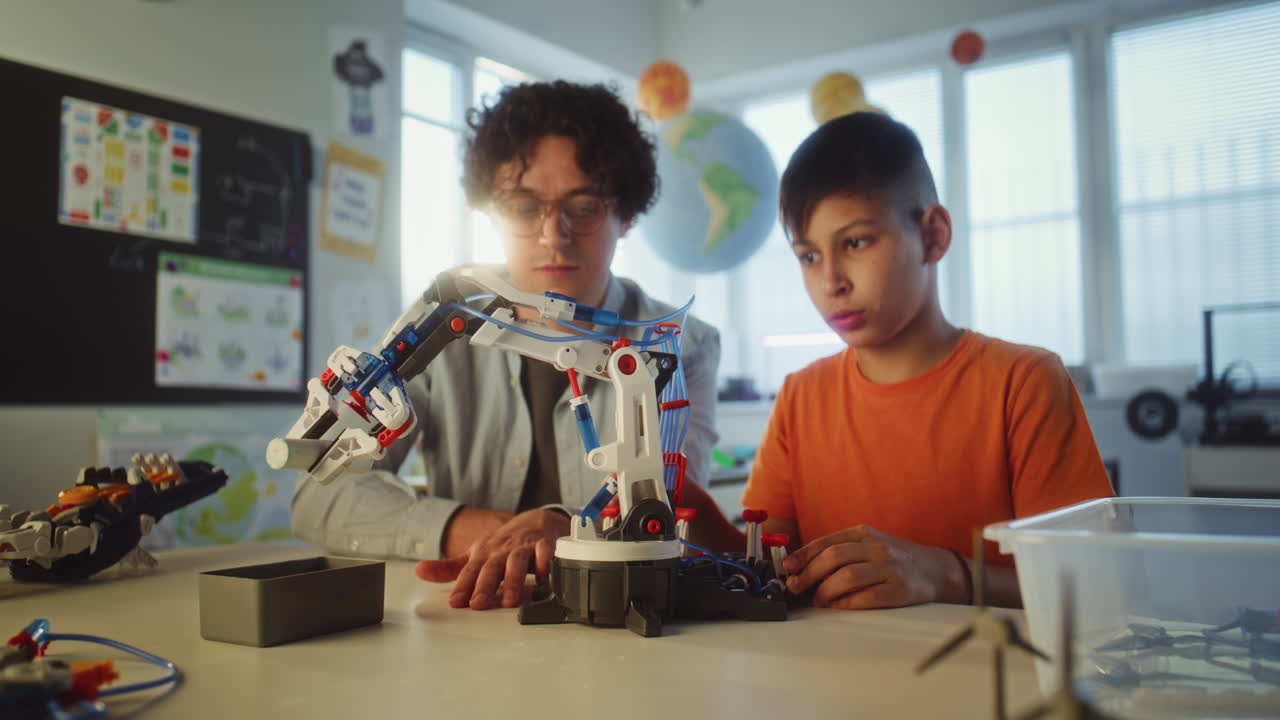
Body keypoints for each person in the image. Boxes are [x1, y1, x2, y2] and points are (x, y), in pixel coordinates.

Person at [290, 81, 721, 611]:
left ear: (624, 215)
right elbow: (318, 494)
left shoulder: (680, 346)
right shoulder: (437, 329)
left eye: (583, 206)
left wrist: (561, 528)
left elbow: (674, 509)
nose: (553, 236)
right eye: (522, 207)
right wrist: (484, 532)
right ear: (490, 212)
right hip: (468, 626)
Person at [689, 111, 1113, 610]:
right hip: (829, 682)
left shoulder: (1023, 383)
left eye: (856, 242)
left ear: (933, 235)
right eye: (808, 255)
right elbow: (775, 572)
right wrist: (695, 513)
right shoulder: (801, 396)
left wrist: (949, 575)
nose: (831, 282)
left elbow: (1095, 590)